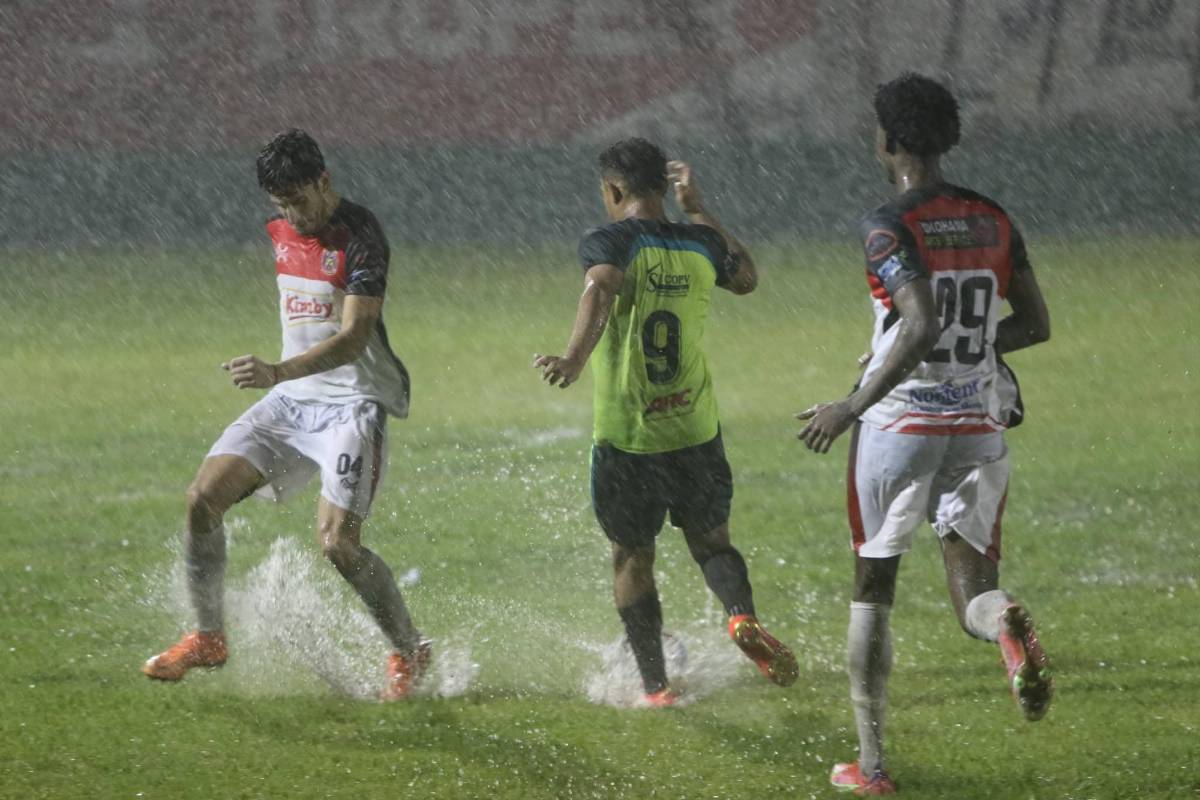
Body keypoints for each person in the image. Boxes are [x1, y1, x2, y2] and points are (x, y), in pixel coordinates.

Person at [796, 73, 1054, 795]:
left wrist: (852, 402)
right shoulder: (994, 218)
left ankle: (872, 767)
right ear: (950, 138)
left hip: (901, 424)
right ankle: (1004, 624)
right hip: (978, 424)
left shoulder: (888, 223)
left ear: (890, 140)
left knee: (873, 585)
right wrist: (977, 352)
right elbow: (1033, 324)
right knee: (974, 588)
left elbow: (920, 322)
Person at [142, 129, 430, 701]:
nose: (292, 216)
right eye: (281, 205)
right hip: (294, 400)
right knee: (202, 499)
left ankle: (408, 647)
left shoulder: (360, 235)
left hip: (352, 404)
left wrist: (275, 371)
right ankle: (208, 637)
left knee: (338, 547)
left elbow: (353, 338)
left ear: (325, 182)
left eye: (300, 200)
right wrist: (283, 381)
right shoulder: (279, 230)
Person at [534, 138, 798, 706]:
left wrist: (574, 358)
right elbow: (748, 277)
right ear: (663, 188)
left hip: (629, 437)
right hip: (694, 430)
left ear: (613, 190)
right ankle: (740, 617)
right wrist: (699, 209)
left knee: (632, 556)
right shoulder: (701, 243)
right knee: (713, 543)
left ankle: (655, 686)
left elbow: (600, 285)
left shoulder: (610, 240)